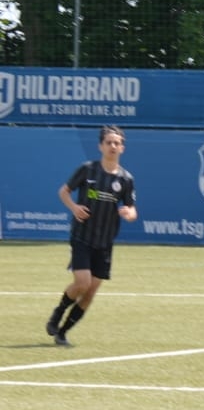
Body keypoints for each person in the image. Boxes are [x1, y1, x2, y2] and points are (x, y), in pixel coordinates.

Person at [45, 124, 139, 347]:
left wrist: (129, 214)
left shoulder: (126, 179)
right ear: (100, 146)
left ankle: (63, 333)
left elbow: (132, 208)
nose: (113, 146)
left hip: (105, 242)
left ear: (122, 148)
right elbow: (64, 191)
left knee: (90, 293)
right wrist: (74, 207)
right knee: (82, 282)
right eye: (109, 142)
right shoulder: (88, 170)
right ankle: (58, 313)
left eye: (117, 143)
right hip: (82, 236)